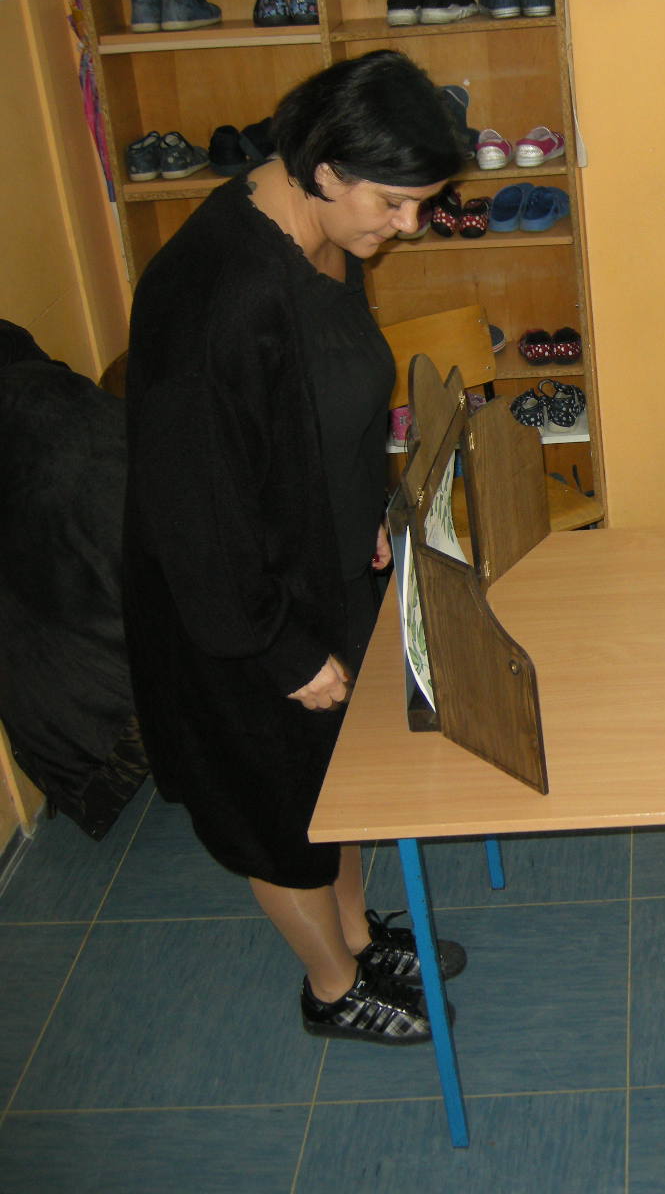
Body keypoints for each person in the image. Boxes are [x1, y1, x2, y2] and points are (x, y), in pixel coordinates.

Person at [122, 51, 467, 1045]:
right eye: (394, 204)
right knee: (277, 811)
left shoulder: (323, 234)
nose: (408, 228)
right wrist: (280, 649)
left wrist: (367, 510)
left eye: (421, 204)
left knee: (332, 781)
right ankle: (331, 987)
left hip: (316, 567)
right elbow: (197, 513)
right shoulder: (218, 298)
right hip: (236, 616)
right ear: (324, 168)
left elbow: (326, 406)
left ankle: (356, 935)